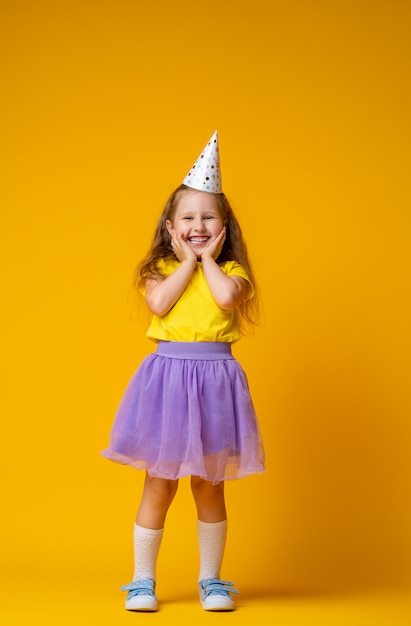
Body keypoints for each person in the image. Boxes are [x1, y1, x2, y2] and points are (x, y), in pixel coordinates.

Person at [102, 131, 265, 612]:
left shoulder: (233, 271)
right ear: (170, 226)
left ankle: (211, 581)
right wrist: (186, 260)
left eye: (208, 217)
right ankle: (141, 581)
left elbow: (226, 300)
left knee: (209, 485)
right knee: (158, 482)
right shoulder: (158, 269)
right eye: (188, 218)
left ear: (224, 225)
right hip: (168, 384)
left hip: (215, 384)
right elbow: (159, 302)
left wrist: (208, 260)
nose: (198, 225)